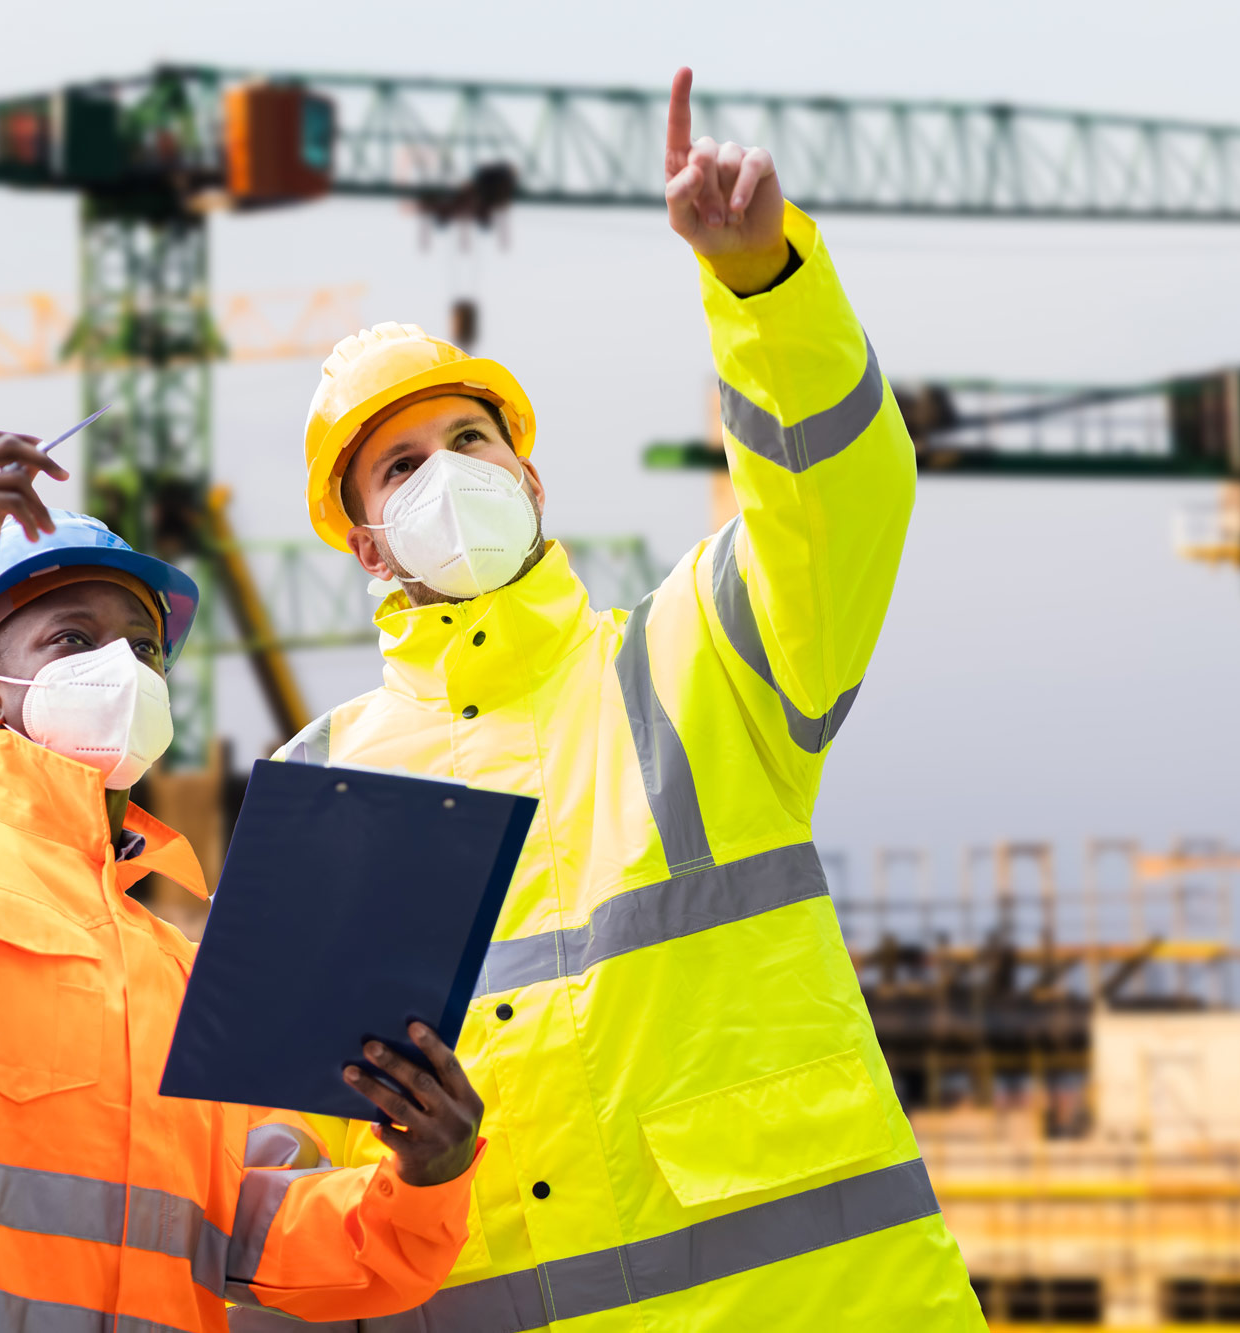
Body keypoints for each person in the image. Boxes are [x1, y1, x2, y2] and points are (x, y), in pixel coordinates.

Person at [252, 68, 985, 1331]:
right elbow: (283, 1163)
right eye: (402, 467)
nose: (447, 476)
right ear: (367, 544)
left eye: (468, 444)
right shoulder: (325, 784)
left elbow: (833, 501)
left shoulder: (691, 657)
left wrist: (760, 285)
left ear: (528, 475)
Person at [0, 432, 487, 1333]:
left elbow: (255, 1232)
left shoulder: (187, 973)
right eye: (74, 638)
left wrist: (425, 1180)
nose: (122, 669)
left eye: (143, 649)